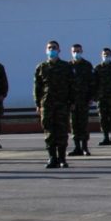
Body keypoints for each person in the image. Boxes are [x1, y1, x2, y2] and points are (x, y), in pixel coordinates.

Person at [35, 40, 74, 168]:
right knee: (49, 131)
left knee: (62, 131)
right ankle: (52, 158)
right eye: (49, 48)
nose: (52, 50)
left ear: (59, 50)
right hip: (46, 103)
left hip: (62, 103)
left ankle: (62, 158)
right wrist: (38, 104)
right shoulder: (41, 67)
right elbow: (37, 87)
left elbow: (72, 85)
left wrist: (72, 101)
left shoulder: (66, 66)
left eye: (54, 48)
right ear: (46, 50)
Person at [67, 44, 96, 156]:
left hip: (84, 99)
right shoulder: (68, 66)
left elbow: (92, 82)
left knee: (83, 123)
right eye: (74, 51)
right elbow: (65, 84)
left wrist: (91, 97)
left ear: (82, 51)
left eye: (78, 51)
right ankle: (76, 147)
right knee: (74, 124)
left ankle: (85, 147)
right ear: (71, 52)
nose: (76, 53)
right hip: (72, 101)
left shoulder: (87, 65)